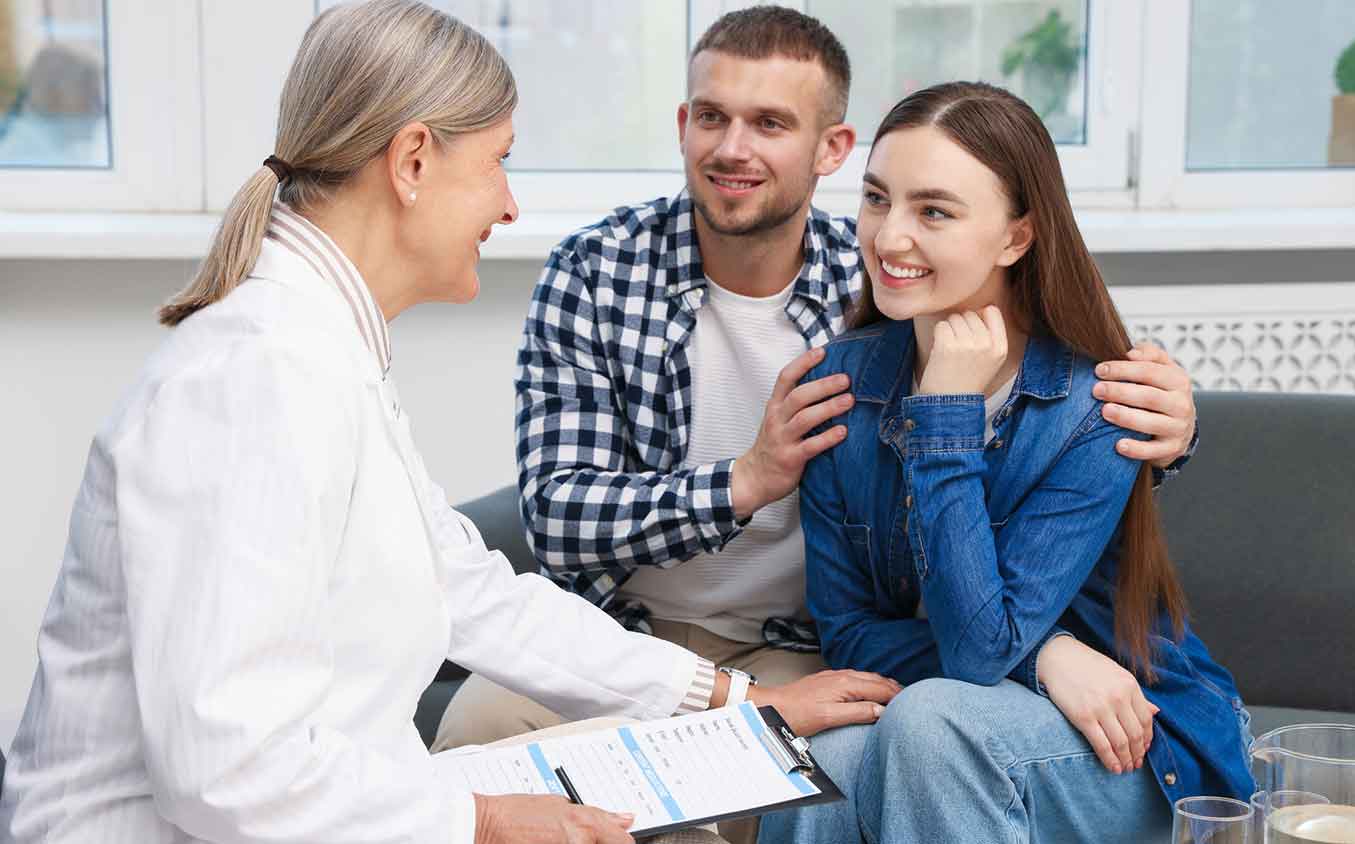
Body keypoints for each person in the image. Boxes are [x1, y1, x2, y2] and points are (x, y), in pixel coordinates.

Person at [0, 4, 897, 842]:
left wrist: (731, 698)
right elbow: (225, 769)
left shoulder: (324, 354)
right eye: (499, 161)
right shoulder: (255, 378)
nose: (509, 206)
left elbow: (471, 591)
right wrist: (487, 819)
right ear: (414, 161)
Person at [436, 5, 1201, 764]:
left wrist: (1171, 436)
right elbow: (556, 516)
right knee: (475, 743)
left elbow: (1026, 426)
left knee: (739, 784)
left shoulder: (882, 281)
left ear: (831, 147)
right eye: (711, 116)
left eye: (770, 124)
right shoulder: (598, 272)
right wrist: (745, 480)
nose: (732, 148)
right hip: (614, 630)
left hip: (802, 648)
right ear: (681, 124)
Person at [759, 81, 1255, 844]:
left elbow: (979, 648)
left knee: (932, 723)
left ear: (1016, 237)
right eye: (877, 199)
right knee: (830, 757)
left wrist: (945, 419)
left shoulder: (1097, 408)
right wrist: (1048, 655)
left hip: (1130, 740)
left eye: (934, 211)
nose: (890, 238)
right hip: (981, 711)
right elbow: (851, 634)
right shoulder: (839, 390)